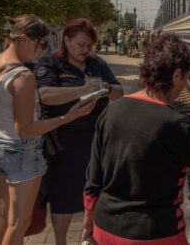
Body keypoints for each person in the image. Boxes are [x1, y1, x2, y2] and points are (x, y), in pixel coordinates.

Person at [82, 34, 190, 245]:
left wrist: (88, 220)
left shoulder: (111, 112)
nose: (184, 86)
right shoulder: (178, 124)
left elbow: (94, 178)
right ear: (176, 75)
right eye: (186, 78)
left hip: (105, 228)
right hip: (155, 234)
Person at [0, 14, 95, 245]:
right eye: (41, 44)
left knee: (3, 212)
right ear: (23, 39)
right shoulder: (23, 77)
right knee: (18, 222)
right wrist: (68, 116)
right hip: (21, 152)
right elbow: (25, 129)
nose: (44, 50)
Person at [35, 18, 124, 245]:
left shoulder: (97, 63)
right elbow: (45, 94)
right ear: (67, 40)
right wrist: (82, 90)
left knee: (98, 193)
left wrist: (107, 88)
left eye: (89, 46)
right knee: (63, 197)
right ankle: (61, 242)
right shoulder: (51, 62)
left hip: (97, 140)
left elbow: (119, 92)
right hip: (64, 142)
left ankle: (91, 238)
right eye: (81, 45)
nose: (86, 50)